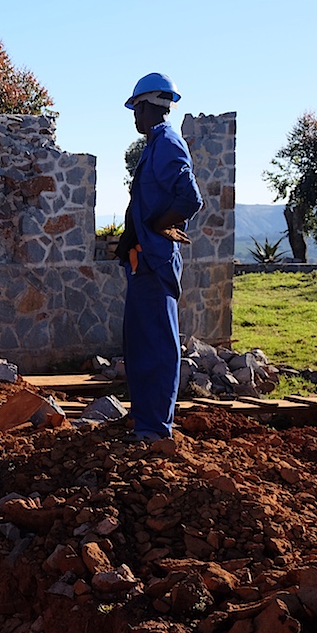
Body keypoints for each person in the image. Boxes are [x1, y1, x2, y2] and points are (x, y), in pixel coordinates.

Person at [116, 72, 203, 441]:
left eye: (136, 109)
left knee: (156, 345)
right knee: (139, 344)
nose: (134, 117)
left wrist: (157, 225)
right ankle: (144, 422)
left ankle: (155, 429)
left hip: (156, 262)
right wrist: (133, 235)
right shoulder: (154, 145)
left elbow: (190, 198)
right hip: (144, 262)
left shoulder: (167, 143)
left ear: (148, 105)